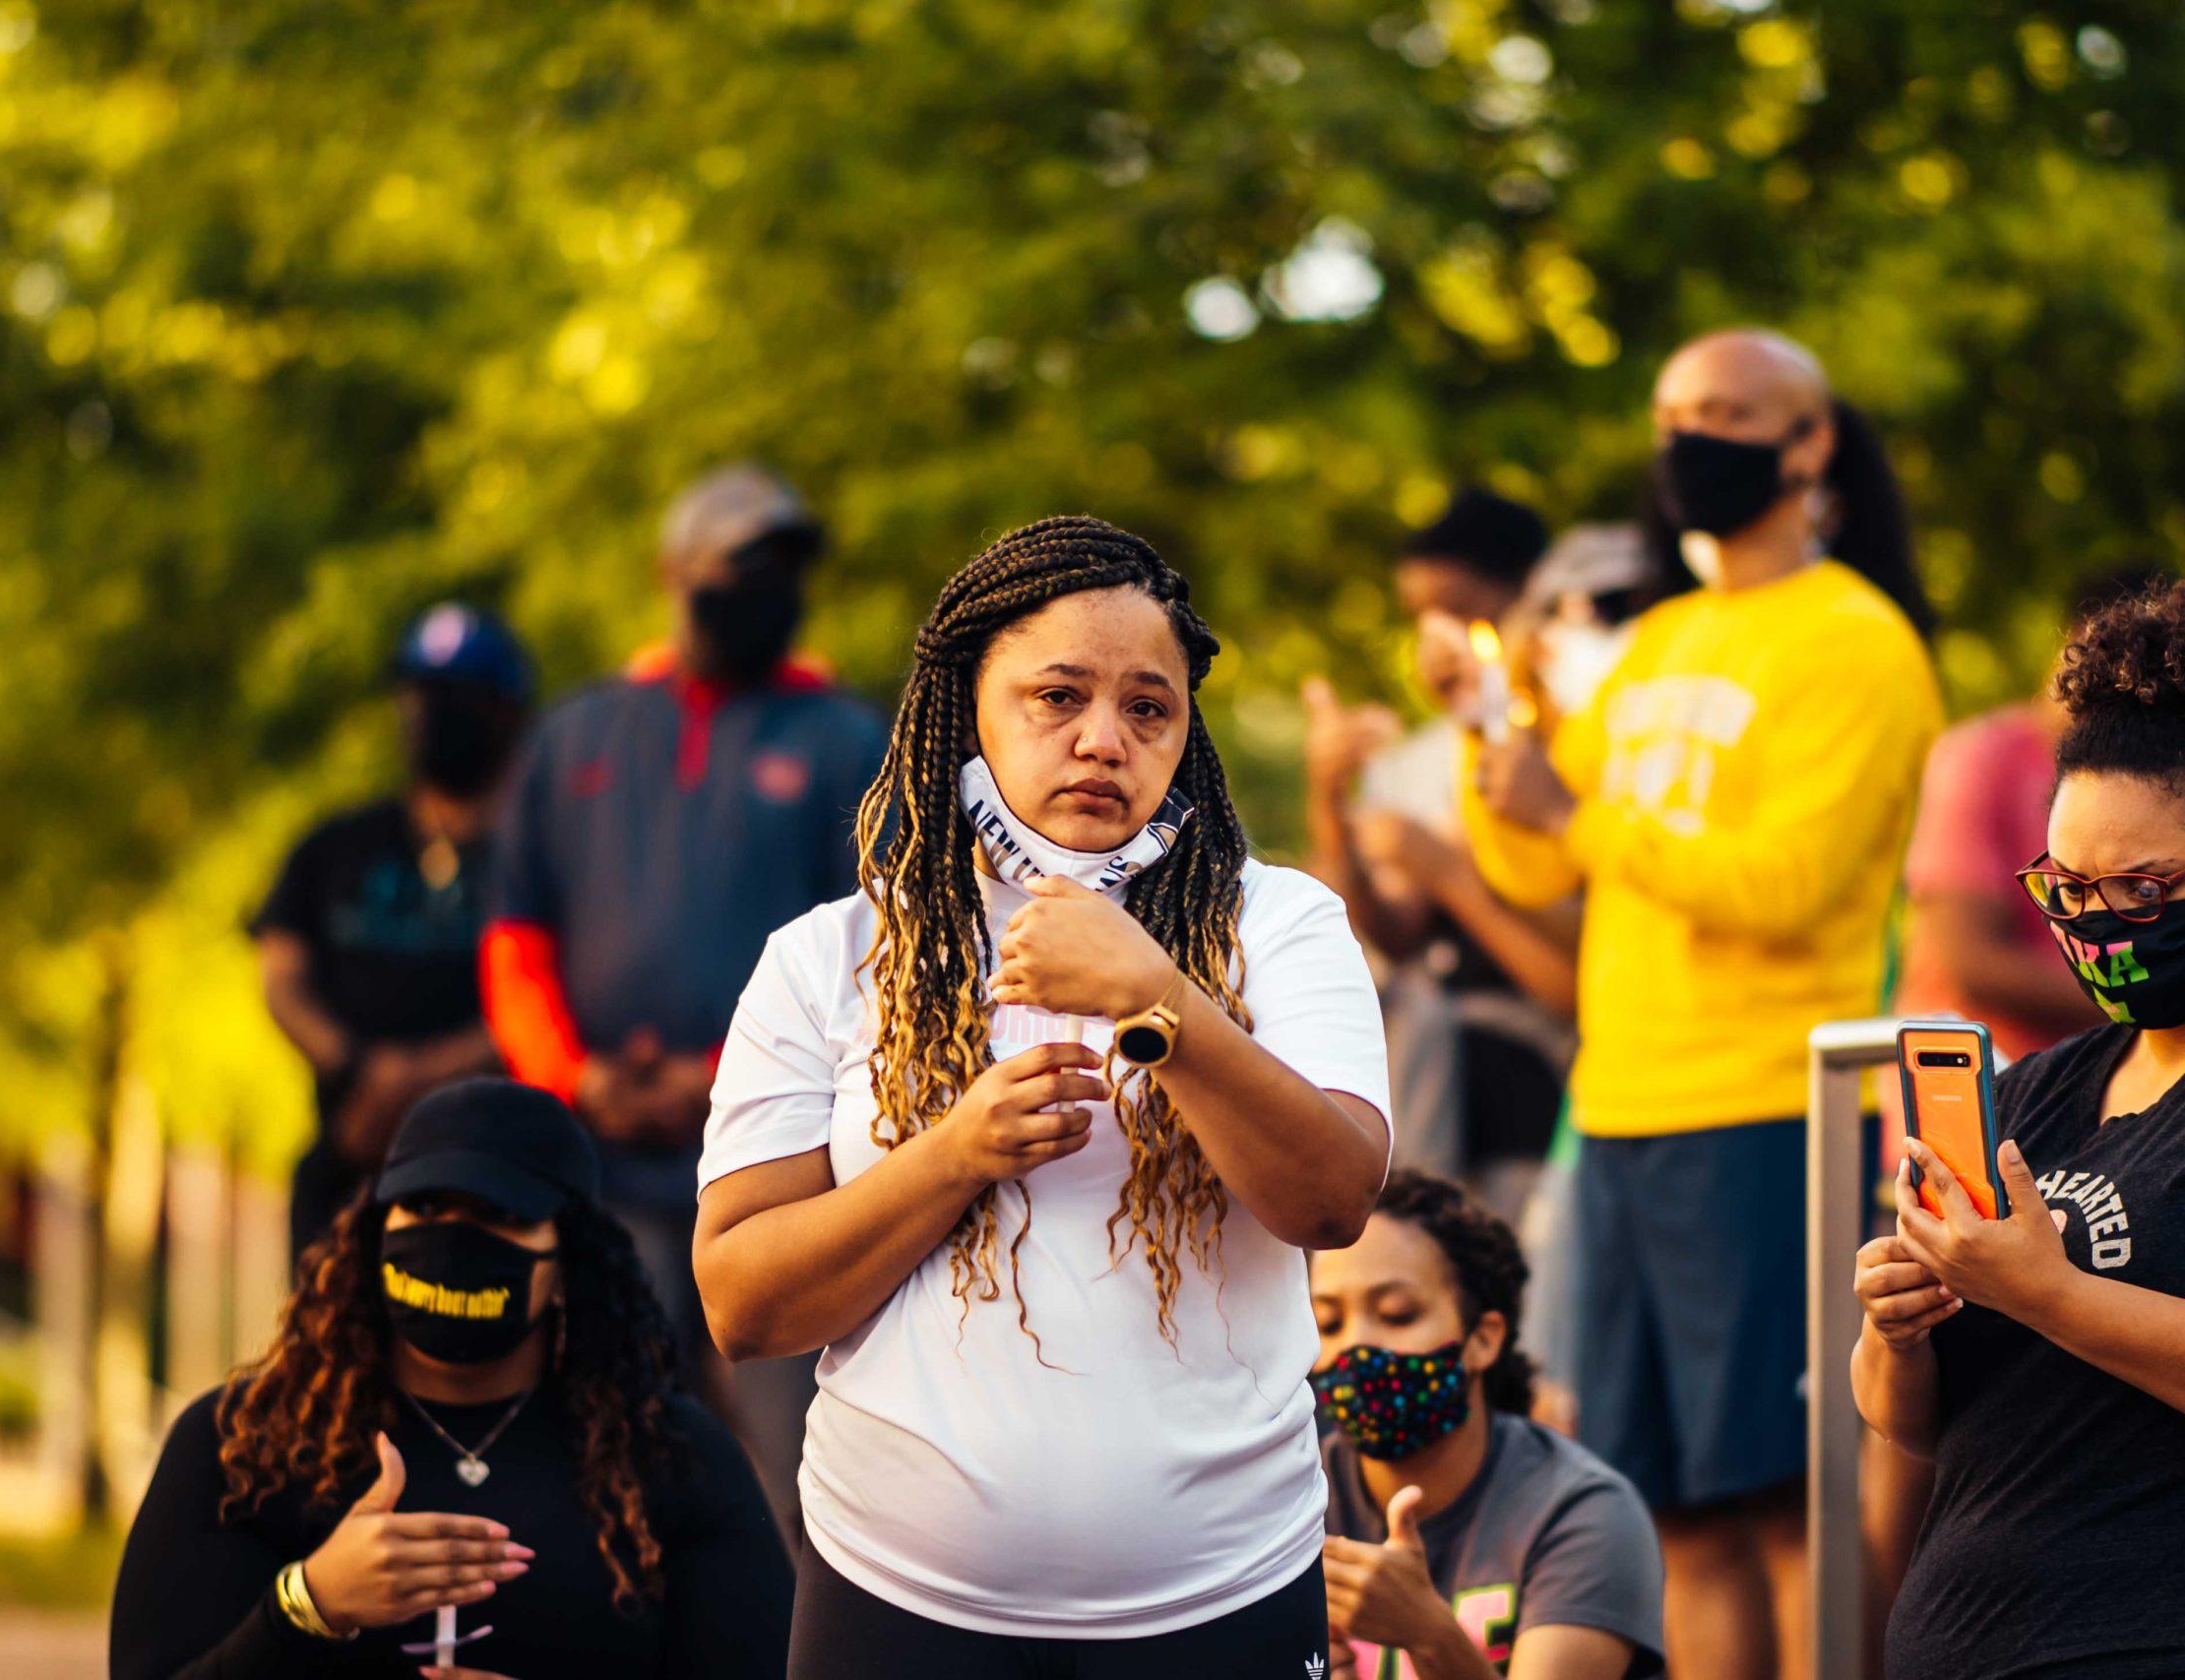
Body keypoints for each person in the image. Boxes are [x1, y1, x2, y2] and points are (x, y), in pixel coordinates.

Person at [696, 516, 1394, 1676]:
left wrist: (1161, 1004)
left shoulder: (1279, 924)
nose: (1102, 741)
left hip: (1221, 1595)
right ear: (963, 707)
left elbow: (1331, 1203)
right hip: (896, 1596)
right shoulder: (828, 956)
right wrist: (953, 1153)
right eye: (1056, 697)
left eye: (1146, 708)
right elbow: (743, 1307)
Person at [1460, 330, 1942, 1680]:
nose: (1691, 438)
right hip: (1618, 1105)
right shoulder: (1665, 634)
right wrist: (1497, 742)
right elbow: (1538, 856)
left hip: (1770, 1103)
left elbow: (1788, 883)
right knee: (1660, 1507)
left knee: (1788, 1502)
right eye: (1675, 412)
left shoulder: (1861, 639)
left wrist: (1582, 814)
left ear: (1807, 445)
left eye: (1729, 412)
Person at [479, 464, 886, 1531]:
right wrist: (572, 1080)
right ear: (677, 572)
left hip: (783, 1174)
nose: (773, 587)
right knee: (606, 1451)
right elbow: (515, 938)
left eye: (788, 568)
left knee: (806, 1471)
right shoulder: (577, 737)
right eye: (747, 564)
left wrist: (722, 1083)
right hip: (605, 1170)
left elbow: (880, 957)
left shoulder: (845, 741)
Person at [110, 1078, 791, 1680]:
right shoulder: (239, 1443)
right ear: (376, 1227)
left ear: (570, 1257)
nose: (454, 1237)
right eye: (427, 1206)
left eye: (502, 1215)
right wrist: (310, 1603)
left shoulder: (675, 1458)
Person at [1857, 579, 2185, 1680]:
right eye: (2064, 887)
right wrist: (1900, 1327)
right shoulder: (2041, 1091)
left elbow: (2047, 1299)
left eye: (2138, 890)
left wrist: (2044, 1290)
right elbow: (1914, 1425)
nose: (2092, 924)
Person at [1302, 489, 1576, 1220]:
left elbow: (1571, 978)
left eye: (1459, 611)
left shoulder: (1574, 745)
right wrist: (1331, 799)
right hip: (1436, 1088)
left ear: (1528, 601)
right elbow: (1391, 931)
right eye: (1419, 617)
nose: (1437, 641)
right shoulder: (1420, 763)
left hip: (1541, 1091)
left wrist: (1449, 871)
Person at [255, 603, 530, 1263]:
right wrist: (355, 1065)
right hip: (350, 1162)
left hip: (501, 1176)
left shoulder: (540, 856)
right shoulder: (334, 845)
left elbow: (560, 988)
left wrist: (419, 1081)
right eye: (417, 696)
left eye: (454, 699)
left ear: (508, 712)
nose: (427, 715)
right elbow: (280, 977)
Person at [1314, 1170, 1663, 1679]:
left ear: (1483, 1339)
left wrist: (1427, 1634)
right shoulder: (1289, 1504)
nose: (1354, 1347)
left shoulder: (1582, 1514)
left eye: (1397, 1314)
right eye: (1328, 1323)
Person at [1895, 566, 2174, 1063]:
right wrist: (2139, 995)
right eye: (2068, 889)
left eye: (2143, 889)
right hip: (1988, 1079)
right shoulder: (1979, 759)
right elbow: (1971, 963)